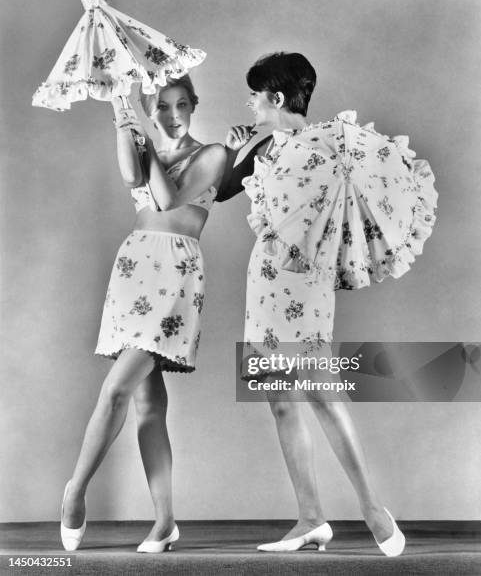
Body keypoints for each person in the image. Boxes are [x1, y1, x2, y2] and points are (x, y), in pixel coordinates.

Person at [218, 52, 437, 555]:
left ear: (275, 97)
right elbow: (230, 189)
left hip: (294, 280)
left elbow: (226, 190)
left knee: (318, 391)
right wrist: (241, 145)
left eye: (254, 94)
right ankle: (310, 518)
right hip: (275, 277)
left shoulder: (306, 146)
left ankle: (371, 507)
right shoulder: (305, 145)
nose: (249, 103)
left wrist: (244, 147)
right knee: (282, 398)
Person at [60, 75, 226, 553]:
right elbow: (134, 179)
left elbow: (168, 200)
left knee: (116, 390)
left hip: (177, 272)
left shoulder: (214, 153)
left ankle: (74, 491)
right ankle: (165, 522)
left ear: (195, 104)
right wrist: (123, 113)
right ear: (150, 108)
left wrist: (145, 135)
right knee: (147, 405)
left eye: (181, 105)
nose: (173, 115)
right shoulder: (142, 136)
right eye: (161, 107)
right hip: (134, 267)